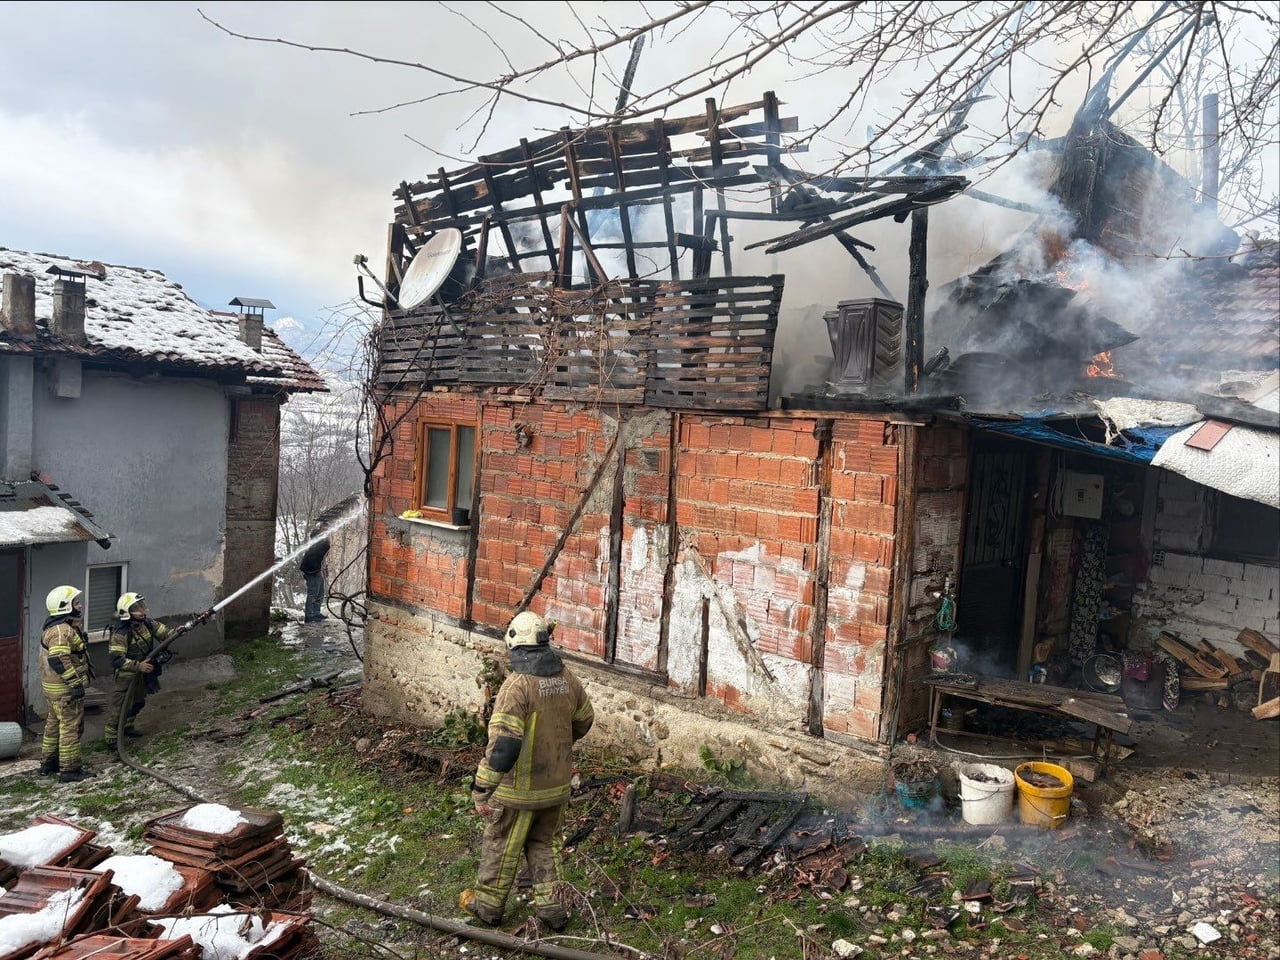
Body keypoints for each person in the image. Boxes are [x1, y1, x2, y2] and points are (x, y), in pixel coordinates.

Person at [459, 611, 594, 930]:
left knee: (501, 843)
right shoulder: (567, 678)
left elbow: (504, 746)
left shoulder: (516, 686)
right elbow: (585, 719)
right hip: (556, 787)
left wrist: (481, 788)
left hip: (517, 791)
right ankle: (554, 908)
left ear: (515, 646)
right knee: (544, 845)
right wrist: (558, 743)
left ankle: (489, 908)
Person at [38, 586, 94, 783]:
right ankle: (70, 770)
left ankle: (48, 763)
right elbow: (58, 660)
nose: (80, 605)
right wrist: (75, 683)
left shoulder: (57, 627)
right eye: (76, 603)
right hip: (64, 690)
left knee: (53, 725)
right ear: (65, 607)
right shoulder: (62, 631)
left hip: (53, 689)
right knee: (70, 727)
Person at [104, 593, 171, 750]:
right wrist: (138, 665)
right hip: (127, 675)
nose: (143, 611)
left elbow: (165, 634)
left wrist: (181, 630)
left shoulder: (147, 623)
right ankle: (111, 738)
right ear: (127, 612)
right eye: (138, 609)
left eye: (142, 606)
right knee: (120, 707)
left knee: (139, 702)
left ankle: (127, 727)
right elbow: (117, 660)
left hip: (143, 672)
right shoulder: (120, 634)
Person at [298, 522, 330, 623]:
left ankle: (316, 613)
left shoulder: (324, 540)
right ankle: (309, 615)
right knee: (312, 593)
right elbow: (313, 557)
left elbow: (322, 558)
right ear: (320, 529)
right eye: (324, 529)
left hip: (317, 569)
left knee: (320, 592)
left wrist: (324, 569)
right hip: (311, 569)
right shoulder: (317, 540)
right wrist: (316, 570)